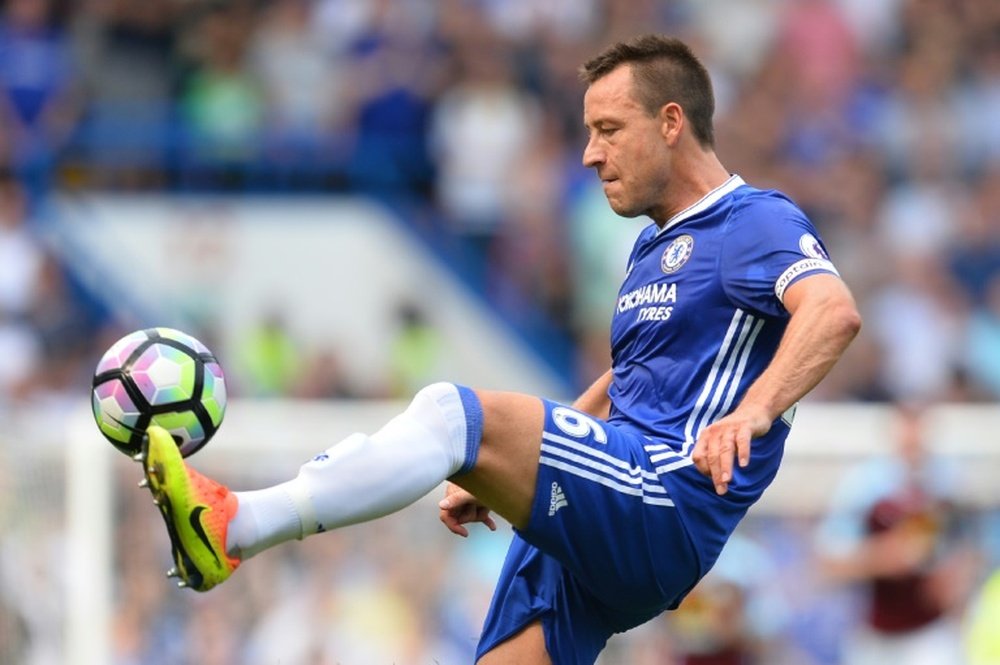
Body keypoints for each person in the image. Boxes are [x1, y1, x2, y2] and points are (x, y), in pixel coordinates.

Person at [137, 34, 861, 665]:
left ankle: (238, 526)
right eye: (589, 132)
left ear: (671, 122)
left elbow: (832, 310)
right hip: (612, 496)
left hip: (662, 496)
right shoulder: (651, 249)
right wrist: (496, 463)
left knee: (451, 411)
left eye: (608, 129)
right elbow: (628, 379)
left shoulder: (751, 219)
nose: (590, 154)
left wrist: (755, 411)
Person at [815, 402, 980, 665]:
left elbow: (970, 550)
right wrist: (882, 558)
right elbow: (828, 561)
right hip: (874, 634)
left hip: (931, 633)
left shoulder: (948, 485)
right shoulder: (865, 487)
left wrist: (955, 579)